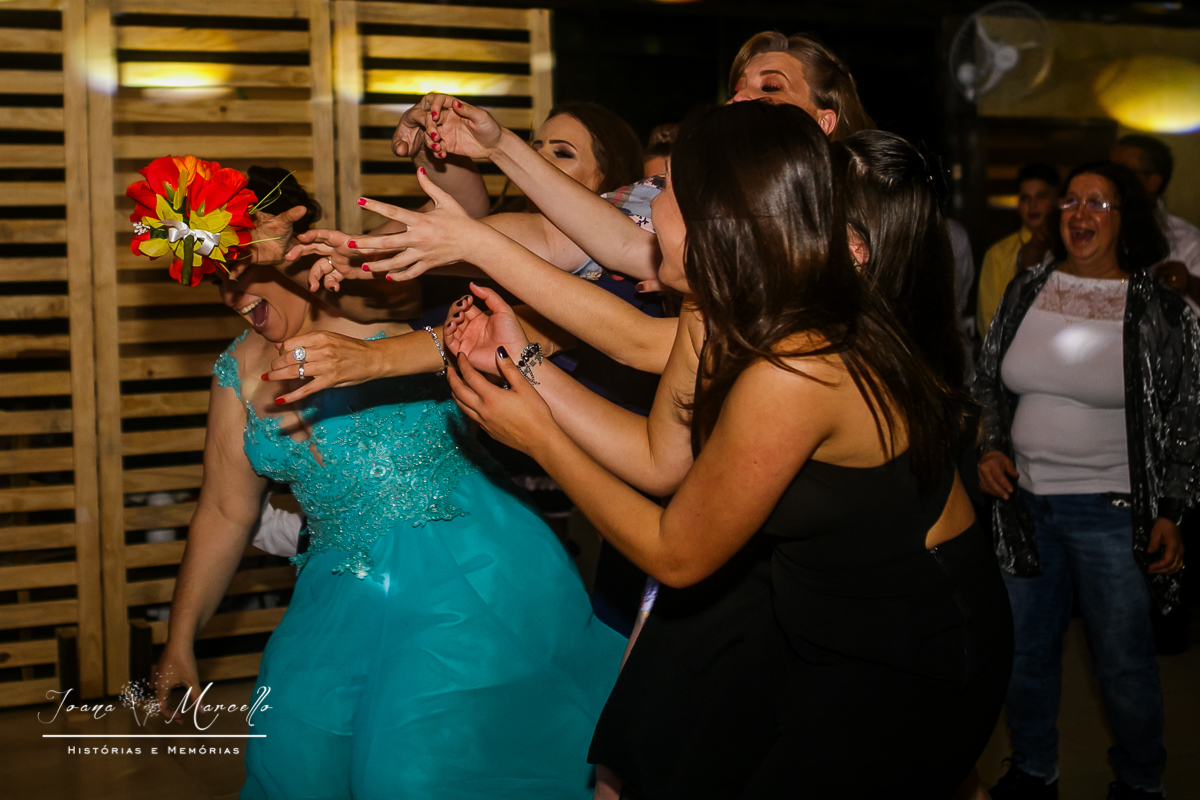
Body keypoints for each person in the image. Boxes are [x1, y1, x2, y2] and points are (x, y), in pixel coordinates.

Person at [444, 100, 1012, 798]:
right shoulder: (715, 304)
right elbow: (660, 459)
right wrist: (526, 366)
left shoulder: (797, 364)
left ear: (719, 218)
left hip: (912, 645)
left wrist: (540, 439)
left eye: (667, 192)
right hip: (812, 618)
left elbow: (676, 554)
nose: (648, 207)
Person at [151, 174, 625, 799]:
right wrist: (180, 639)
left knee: (416, 773)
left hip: (473, 575)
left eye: (241, 264)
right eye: (217, 276)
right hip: (338, 598)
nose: (231, 291)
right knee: (293, 759)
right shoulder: (236, 373)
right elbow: (223, 510)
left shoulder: (378, 293)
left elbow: (481, 226)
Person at [975, 161, 1200, 800]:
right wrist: (990, 447)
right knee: (1026, 652)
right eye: (1072, 201)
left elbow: (1186, 415)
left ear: (1126, 219)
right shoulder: (1027, 289)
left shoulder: (1158, 308)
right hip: (1023, 504)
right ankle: (1033, 771)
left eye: (1098, 203)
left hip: (1111, 508)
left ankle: (1140, 782)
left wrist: (1172, 509)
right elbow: (987, 380)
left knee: (1123, 662)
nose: (1080, 213)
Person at [1111, 134, 1200, 312]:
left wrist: (1189, 283)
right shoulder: (1094, 226)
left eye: (1122, 171)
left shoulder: (1186, 239)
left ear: (1153, 182)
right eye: (1109, 170)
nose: (1111, 178)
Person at [978, 163, 1060, 337]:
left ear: (1056, 200)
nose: (1032, 205)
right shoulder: (997, 254)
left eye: (1040, 197)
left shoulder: (1070, 248)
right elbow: (987, 320)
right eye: (1025, 198)